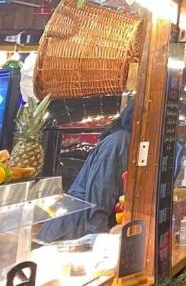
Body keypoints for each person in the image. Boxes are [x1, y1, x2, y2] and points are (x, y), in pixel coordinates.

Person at [38, 101, 135, 243]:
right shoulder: (119, 142)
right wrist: (98, 242)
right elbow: (99, 197)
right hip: (71, 232)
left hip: (83, 229)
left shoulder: (127, 142)